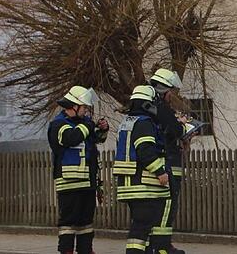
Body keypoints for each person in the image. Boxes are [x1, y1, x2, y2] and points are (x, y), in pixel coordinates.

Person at [47, 86, 109, 254]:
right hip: (69, 183)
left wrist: (103, 129)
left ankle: (86, 250)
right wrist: (88, 124)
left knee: (85, 221)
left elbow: (96, 139)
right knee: (69, 222)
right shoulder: (59, 124)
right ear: (74, 106)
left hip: (87, 182)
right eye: (84, 107)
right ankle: (67, 251)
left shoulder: (82, 125)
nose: (86, 111)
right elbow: (71, 138)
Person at [113, 85, 171, 254]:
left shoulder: (127, 122)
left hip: (131, 184)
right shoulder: (144, 123)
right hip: (143, 185)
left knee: (141, 226)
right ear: (148, 104)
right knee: (141, 227)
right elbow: (145, 151)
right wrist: (160, 172)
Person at [148, 68, 197, 254]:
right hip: (168, 166)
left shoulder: (152, 108)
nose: (172, 96)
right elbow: (174, 130)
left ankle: (160, 245)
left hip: (169, 164)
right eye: (171, 92)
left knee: (165, 207)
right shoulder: (160, 109)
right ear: (163, 90)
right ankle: (161, 246)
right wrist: (183, 126)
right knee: (166, 207)